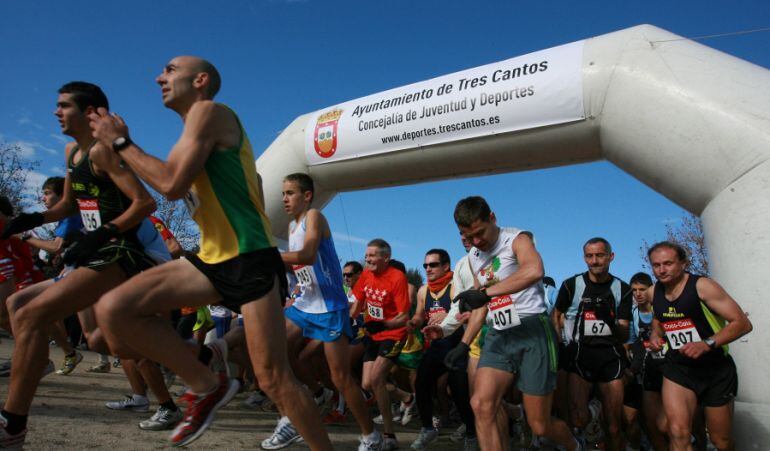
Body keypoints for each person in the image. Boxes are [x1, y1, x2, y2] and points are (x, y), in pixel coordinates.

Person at [87, 56, 332, 449]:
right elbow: (187, 181)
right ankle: (206, 383)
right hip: (212, 259)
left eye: (169, 70)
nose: (158, 77)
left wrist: (120, 142)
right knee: (114, 312)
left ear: (199, 80)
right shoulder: (192, 135)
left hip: (250, 257)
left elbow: (168, 184)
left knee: (274, 380)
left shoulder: (210, 112)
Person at [0, 81, 157, 448]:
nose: (56, 112)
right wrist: (28, 219)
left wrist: (103, 233)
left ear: (89, 113)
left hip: (119, 252)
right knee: (21, 306)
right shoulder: (72, 153)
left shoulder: (103, 153)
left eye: (64, 106)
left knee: (36, 314)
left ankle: (12, 424)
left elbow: (144, 202)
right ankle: (32, 376)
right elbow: (69, 205)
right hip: (92, 253)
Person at [443, 196, 578, 451]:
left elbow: (534, 270)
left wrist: (485, 293)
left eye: (480, 233)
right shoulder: (474, 255)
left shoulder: (517, 239)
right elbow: (480, 304)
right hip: (498, 334)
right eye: (468, 236)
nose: (476, 242)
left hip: (532, 330)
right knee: (481, 405)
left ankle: (574, 445)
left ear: (492, 218)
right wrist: (463, 343)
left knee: (539, 424)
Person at [273, 172, 381, 450]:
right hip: (304, 304)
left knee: (341, 379)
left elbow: (308, 254)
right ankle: (296, 413)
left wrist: (268, 255)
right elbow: (298, 268)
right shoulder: (290, 226)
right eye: (283, 193)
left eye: (290, 193)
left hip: (330, 308)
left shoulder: (314, 217)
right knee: (273, 352)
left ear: (306, 196)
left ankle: (371, 436)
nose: (284, 198)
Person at [647, 241, 752, 451]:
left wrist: (707, 344)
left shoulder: (702, 286)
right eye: (656, 265)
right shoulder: (653, 292)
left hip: (715, 370)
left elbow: (742, 323)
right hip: (679, 368)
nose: (662, 269)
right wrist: (656, 335)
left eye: (668, 263)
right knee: (676, 431)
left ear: (683, 263)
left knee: (721, 441)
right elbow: (658, 320)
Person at [551, 237, 632, 451]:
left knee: (614, 426)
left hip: (610, 357)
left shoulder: (622, 289)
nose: (594, 261)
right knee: (578, 419)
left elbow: (624, 334)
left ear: (610, 257)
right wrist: (560, 342)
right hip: (581, 355)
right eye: (589, 256)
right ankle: (594, 409)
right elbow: (556, 314)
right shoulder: (571, 285)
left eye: (600, 255)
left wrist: (609, 322)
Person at [409, 248, 476, 450]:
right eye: (425, 265)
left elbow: (467, 312)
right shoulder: (423, 290)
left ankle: (471, 434)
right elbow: (420, 314)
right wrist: (412, 323)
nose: (428, 269)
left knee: (459, 391)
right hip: (437, 347)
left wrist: (447, 314)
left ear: (446, 266)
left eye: (433, 264)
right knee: (421, 383)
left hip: (458, 346)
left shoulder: (455, 285)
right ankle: (428, 428)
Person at [350, 238, 410, 450]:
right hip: (374, 335)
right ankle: (406, 398)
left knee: (376, 379)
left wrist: (385, 324)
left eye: (372, 255)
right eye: (366, 255)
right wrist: (349, 319)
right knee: (367, 384)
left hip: (394, 334)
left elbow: (404, 316)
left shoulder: (397, 278)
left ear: (386, 257)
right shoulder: (366, 274)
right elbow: (358, 301)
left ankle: (389, 436)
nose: (367, 259)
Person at [627, 271, 668, 451]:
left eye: (642, 289)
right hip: (644, 372)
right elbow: (629, 344)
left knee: (667, 421)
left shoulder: (661, 309)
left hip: (668, 370)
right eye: (634, 290)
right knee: (649, 419)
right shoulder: (632, 315)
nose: (638, 294)